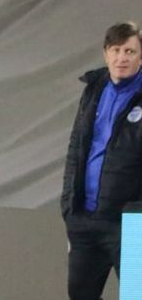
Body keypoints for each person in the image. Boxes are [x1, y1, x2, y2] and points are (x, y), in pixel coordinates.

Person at [62, 22, 142, 300]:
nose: (122, 58)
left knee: (135, 294)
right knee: (79, 294)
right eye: (116, 50)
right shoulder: (93, 89)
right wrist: (69, 205)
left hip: (133, 223)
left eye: (130, 51)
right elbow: (76, 148)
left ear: (141, 57)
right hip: (85, 220)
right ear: (105, 54)